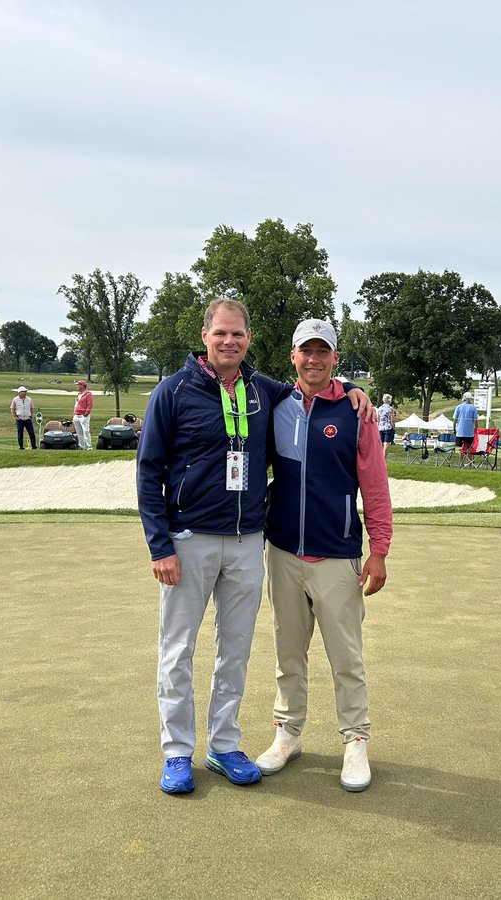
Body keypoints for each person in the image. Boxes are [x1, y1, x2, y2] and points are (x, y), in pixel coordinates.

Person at [137, 299, 371, 795]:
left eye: (238, 335)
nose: (229, 342)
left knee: (235, 650)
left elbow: (315, 386)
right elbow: (148, 472)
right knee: (178, 650)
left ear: (249, 340)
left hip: (247, 542)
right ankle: (178, 752)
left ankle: (224, 745)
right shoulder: (172, 392)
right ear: (205, 336)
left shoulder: (265, 391)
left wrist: (353, 391)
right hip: (188, 540)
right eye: (221, 333)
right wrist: (160, 545)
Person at [255, 319, 392, 793]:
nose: (313, 359)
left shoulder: (358, 413)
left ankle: (355, 739)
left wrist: (380, 550)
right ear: (292, 356)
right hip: (284, 552)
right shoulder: (274, 404)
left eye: (323, 351)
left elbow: (374, 488)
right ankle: (287, 733)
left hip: (337, 556)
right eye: (305, 351)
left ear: (335, 357)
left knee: (346, 657)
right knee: (287, 653)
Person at [72, 380, 94, 450]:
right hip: (76, 415)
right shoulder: (78, 394)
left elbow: (89, 405)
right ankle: (82, 446)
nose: (77, 386)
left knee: (85, 431)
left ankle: (89, 446)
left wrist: (86, 414)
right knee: (79, 432)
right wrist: (74, 414)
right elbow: (76, 405)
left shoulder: (88, 394)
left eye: (78, 385)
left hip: (83, 416)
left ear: (82, 386)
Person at [377, 393, 395, 459]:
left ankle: (379, 459)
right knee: (386, 444)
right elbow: (392, 419)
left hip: (380, 428)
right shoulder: (390, 409)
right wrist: (393, 427)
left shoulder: (379, 408)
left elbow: (378, 419)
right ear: (389, 400)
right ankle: (383, 459)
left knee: (380, 444)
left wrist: (377, 427)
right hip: (388, 427)